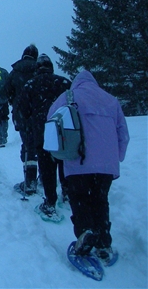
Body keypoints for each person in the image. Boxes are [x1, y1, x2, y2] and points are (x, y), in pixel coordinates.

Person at [48, 70, 129, 263]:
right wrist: (117, 157)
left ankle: (85, 233)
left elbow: (50, 121)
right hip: (106, 166)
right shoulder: (110, 100)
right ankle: (103, 242)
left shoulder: (67, 97)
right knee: (101, 200)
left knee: (79, 198)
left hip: (78, 160)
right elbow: (123, 134)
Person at [19, 54, 71, 220]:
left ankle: (50, 202)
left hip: (43, 132)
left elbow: (24, 111)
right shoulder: (63, 83)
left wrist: (29, 123)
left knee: (47, 166)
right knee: (64, 162)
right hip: (64, 132)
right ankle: (68, 193)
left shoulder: (30, 85)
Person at [4, 44, 39, 195]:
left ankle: (30, 181)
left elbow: (5, 91)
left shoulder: (15, 71)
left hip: (22, 115)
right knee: (44, 146)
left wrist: (14, 100)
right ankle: (45, 177)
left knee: (28, 145)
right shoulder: (40, 69)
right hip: (41, 114)